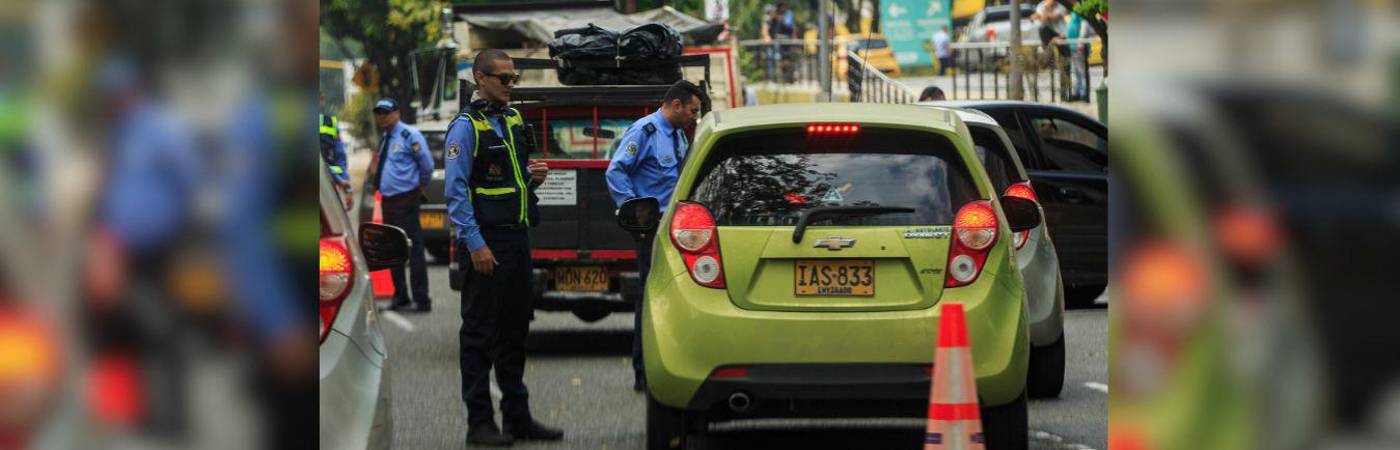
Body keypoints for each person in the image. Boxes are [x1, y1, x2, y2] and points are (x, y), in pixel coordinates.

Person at [444, 49, 562, 446]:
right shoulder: (465, 128)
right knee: (478, 336)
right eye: (504, 79)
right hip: (486, 245)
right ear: (480, 78)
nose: (512, 85)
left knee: (514, 334)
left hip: (517, 239)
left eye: (514, 78)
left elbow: (511, 179)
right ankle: (480, 423)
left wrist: (532, 177)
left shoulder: (512, 118)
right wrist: (475, 244)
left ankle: (518, 418)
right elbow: (456, 193)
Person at [605, 80, 704, 392]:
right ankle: (643, 372)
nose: (694, 117)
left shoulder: (676, 135)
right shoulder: (644, 131)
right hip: (651, 230)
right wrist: (634, 213)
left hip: (675, 228)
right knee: (651, 300)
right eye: (692, 110)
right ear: (676, 105)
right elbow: (616, 172)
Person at [370, 97, 434, 312]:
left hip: (406, 199)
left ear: (397, 113)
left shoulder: (409, 135)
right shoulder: (385, 138)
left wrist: (418, 187)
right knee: (392, 250)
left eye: (386, 112)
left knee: (413, 249)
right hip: (388, 201)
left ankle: (421, 299)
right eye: (379, 113)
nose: (382, 116)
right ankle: (401, 296)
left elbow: (426, 166)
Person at [319, 93, 352, 209]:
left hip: (327, 188)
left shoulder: (330, 123)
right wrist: (339, 180)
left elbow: (340, 157)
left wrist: (347, 187)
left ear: (321, 100)